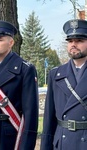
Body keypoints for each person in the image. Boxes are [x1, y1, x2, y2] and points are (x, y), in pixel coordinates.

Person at [0, 20, 39, 150]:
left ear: (11, 42)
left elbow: (30, 113)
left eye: (0, 40)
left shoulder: (25, 69)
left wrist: (26, 146)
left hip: (11, 135)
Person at [40, 19, 87, 150]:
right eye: (70, 41)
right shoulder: (56, 74)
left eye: (79, 41)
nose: (73, 45)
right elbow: (48, 119)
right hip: (62, 143)